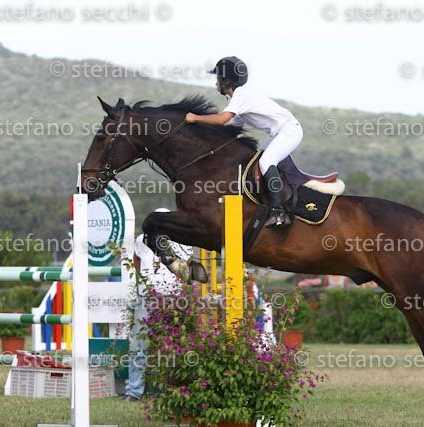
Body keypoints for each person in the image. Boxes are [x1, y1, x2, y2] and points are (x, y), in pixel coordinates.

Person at [185, 56, 303, 228]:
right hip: (280, 133)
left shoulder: (241, 96)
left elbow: (221, 120)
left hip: (290, 131)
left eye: (218, 79)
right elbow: (232, 128)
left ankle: (279, 213)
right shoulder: (240, 99)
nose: (216, 84)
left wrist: (195, 118)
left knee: (265, 162)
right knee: (257, 160)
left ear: (227, 81)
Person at [121, 210, 192, 402]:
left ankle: (170, 390)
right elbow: (136, 260)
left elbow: (188, 268)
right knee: (139, 345)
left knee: (172, 345)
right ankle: (134, 391)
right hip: (148, 297)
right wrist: (146, 283)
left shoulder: (182, 240)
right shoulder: (142, 240)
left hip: (173, 298)